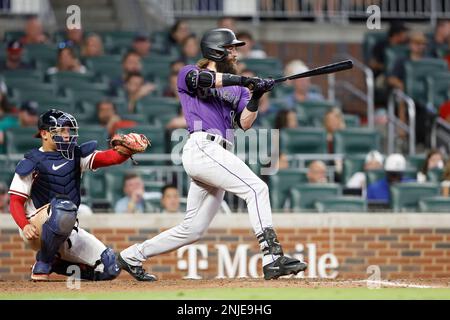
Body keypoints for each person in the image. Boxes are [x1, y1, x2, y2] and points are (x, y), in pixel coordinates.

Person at [118, 28, 307, 281]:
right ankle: (272, 257)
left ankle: (132, 255)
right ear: (216, 50)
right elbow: (202, 81)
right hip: (202, 146)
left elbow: (245, 123)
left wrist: (257, 95)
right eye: (231, 49)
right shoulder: (189, 72)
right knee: (256, 189)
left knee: (192, 229)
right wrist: (244, 81)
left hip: (217, 153)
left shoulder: (239, 90)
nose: (235, 53)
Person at [8, 109, 149, 281]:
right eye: (61, 130)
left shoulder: (74, 154)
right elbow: (15, 201)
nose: (66, 135)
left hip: (68, 228)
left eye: (68, 130)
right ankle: (43, 262)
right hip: (36, 228)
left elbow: (108, 158)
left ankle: (56, 264)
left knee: (110, 268)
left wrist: (126, 151)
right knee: (63, 206)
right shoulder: (32, 161)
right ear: (44, 134)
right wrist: (24, 226)